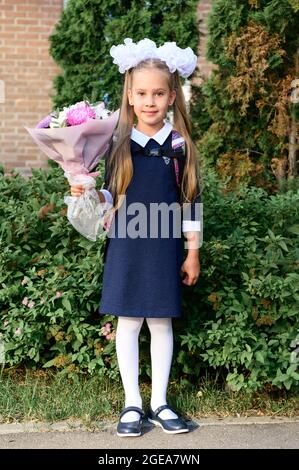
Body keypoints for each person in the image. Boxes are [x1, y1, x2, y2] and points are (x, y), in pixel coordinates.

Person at [71, 38, 202, 437]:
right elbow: (111, 195)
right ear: (129, 96)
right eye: (142, 93)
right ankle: (132, 404)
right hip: (127, 242)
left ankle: (160, 402)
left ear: (171, 95)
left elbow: (190, 199)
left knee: (161, 323)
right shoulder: (116, 143)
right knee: (128, 323)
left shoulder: (179, 144)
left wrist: (192, 251)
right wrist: (86, 191)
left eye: (158, 93)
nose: (150, 101)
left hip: (164, 243)